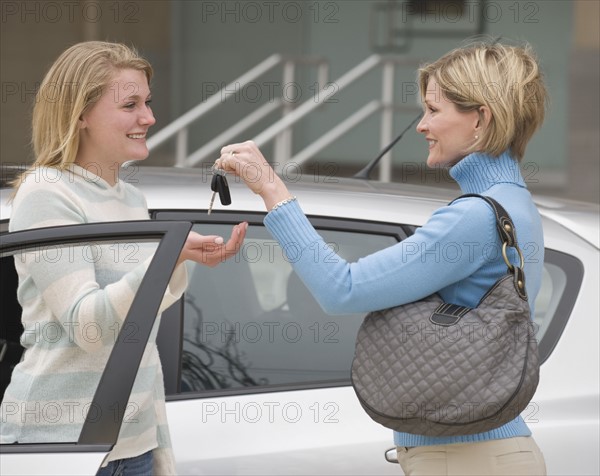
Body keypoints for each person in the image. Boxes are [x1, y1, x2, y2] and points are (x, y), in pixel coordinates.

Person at [216, 41, 548, 475]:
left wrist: (271, 189)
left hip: (466, 459)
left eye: (433, 110)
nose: (421, 126)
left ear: (480, 118)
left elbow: (342, 289)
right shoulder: (514, 203)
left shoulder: (473, 216)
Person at [0, 41, 247, 475]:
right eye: (130, 105)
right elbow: (90, 327)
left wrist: (178, 260)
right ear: (79, 114)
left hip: (131, 445)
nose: (148, 118)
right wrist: (164, 260)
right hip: (60, 444)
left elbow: (138, 332)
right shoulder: (47, 193)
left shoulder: (131, 198)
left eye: (147, 103)